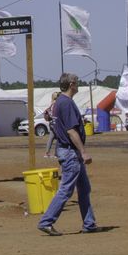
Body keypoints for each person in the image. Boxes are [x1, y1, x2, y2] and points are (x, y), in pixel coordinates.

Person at [37, 74, 97, 236]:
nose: (78, 85)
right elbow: (71, 130)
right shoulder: (66, 103)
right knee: (66, 189)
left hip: (67, 150)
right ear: (71, 84)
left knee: (84, 188)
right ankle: (47, 221)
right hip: (70, 151)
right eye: (77, 83)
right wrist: (83, 152)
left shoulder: (59, 102)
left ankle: (89, 223)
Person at [43, 92, 60, 159]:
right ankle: (56, 153)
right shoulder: (57, 103)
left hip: (51, 123)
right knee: (59, 138)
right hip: (56, 123)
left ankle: (47, 153)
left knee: (51, 138)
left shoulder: (51, 103)